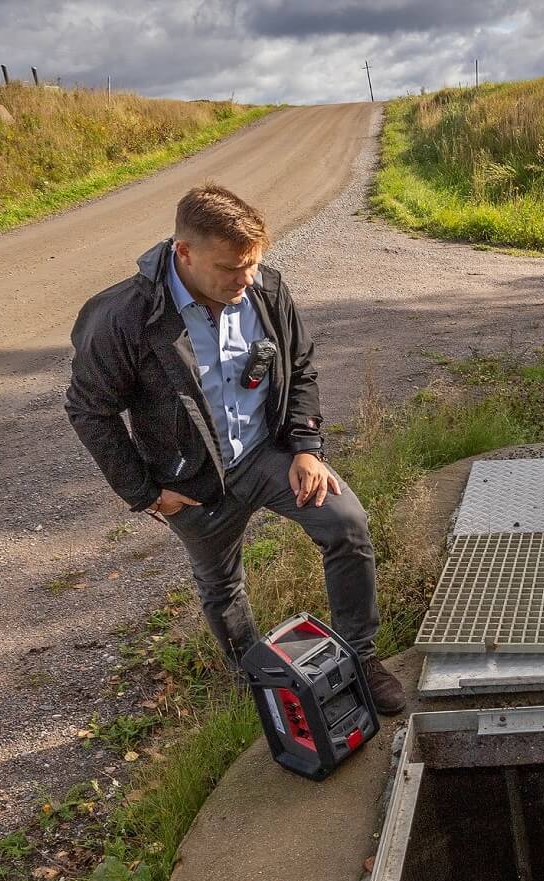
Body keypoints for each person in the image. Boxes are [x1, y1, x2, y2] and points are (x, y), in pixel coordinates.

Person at [65, 182, 405, 715]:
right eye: (231, 268)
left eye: (252, 264)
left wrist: (306, 447)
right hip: (191, 484)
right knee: (222, 587)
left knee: (347, 524)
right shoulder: (123, 317)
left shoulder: (265, 289)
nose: (246, 281)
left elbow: (301, 367)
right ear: (185, 253)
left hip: (267, 457)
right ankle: (262, 685)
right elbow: (90, 411)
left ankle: (360, 658)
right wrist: (146, 493)